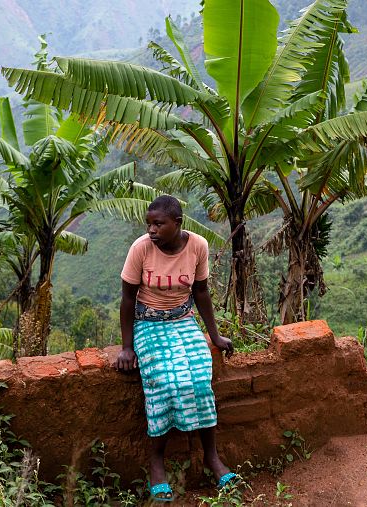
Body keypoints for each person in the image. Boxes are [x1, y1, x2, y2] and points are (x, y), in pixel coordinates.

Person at [115, 195, 238, 502]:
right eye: (149, 224)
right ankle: (157, 461)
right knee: (165, 383)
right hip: (148, 323)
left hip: (182, 320)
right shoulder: (140, 248)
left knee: (199, 380)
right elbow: (128, 299)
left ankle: (211, 456)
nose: (152, 230)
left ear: (177, 224)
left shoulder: (198, 246)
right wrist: (127, 347)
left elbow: (201, 292)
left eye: (159, 224)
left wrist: (215, 336)